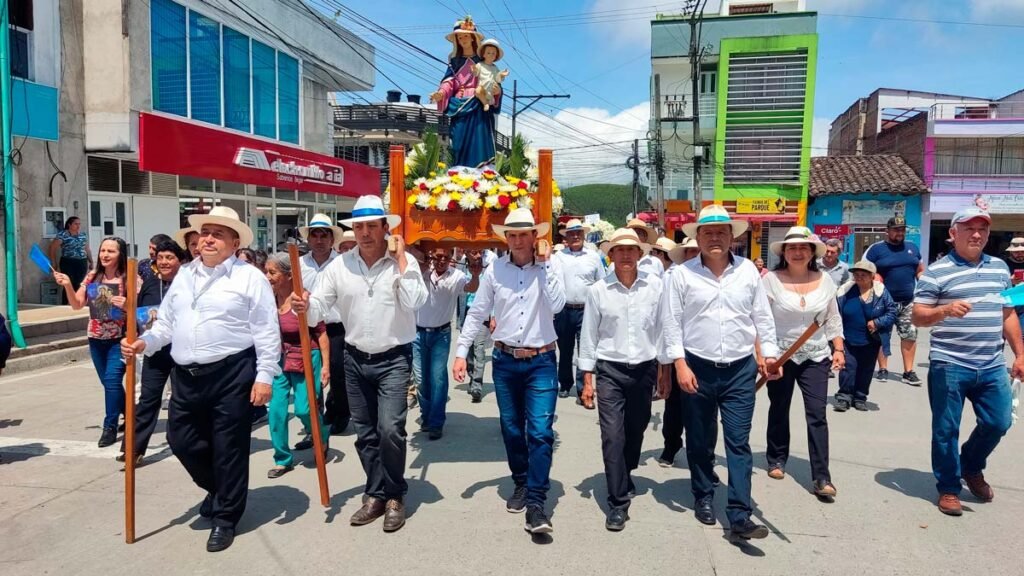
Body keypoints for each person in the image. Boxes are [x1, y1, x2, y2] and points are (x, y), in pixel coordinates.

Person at [121, 206, 280, 552]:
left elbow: (267, 330)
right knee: (181, 441)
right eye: (204, 233)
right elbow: (166, 324)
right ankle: (223, 489)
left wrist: (264, 375)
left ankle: (225, 518)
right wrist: (144, 342)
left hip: (232, 373)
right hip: (186, 377)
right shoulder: (184, 275)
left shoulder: (249, 277)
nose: (207, 239)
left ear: (235, 242)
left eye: (218, 233)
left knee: (229, 448)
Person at [292, 195, 426, 533]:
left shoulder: (404, 261)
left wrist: (400, 262)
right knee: (365, 434)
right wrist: (304, 305)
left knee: (390, 429)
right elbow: (320, 308)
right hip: (354, 358)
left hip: (394, 359)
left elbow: (415, 302)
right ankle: (376, 493)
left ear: (386, 228)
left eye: (371, 226)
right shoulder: (340, 266)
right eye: (359, 226)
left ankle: (395, 494)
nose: (365, 233)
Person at [662, 205, 780, 539]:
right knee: (699, 441)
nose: (715, 238)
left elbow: (762, 318)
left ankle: (740, 512)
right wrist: (679, 364)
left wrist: (768, 356)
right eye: (708, 232)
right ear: (697, 237)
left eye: (722, 232)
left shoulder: (748, 273)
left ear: (733, 236)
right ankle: (702, 495)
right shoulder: (681, 275)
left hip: (740, 369)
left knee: (738, 442)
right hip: (697, 367)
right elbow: (671, 323)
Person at [453, 208, 565, 535]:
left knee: (541, 431)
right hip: (504, 361)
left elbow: (557, 305)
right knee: (512, 428)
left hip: (541, 360)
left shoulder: (549, 267)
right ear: (506, 238)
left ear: (535, 236)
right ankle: (520, 481)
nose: (517, 240)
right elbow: (476, 314)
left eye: (523, 234)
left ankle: (536, 502)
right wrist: (461, 353)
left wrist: (544, 266)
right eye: (512, 234)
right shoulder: (494, 271)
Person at [912, 207, 1024, 517]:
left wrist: (1020, 353)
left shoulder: (1000, 269)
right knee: (946, 429)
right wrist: (944, 311)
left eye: (982, 229)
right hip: (950, 363)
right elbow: (918, 316)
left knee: (998, 422)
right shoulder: (936, 271)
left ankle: (971, 466)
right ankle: (948, 487)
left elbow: (1008, 313)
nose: (976, 234)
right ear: (953, 234)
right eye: (969, 228)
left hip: (990, 364)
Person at [578, 228, 664, 531]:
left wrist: (664, 371)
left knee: (635, 429)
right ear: (610, 255)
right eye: (620, 250)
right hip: (610, 371)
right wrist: (587, 380)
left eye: (631, 250)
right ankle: (617, 502)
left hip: (644, 370)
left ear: (640, 254)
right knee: (612, 435)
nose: (626, 255)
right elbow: (588, 337)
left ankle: (625, 472)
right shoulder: (599, 291)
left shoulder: (655, 287)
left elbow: (662, 331)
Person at [761, 226, 843, 500]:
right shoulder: (770, 280)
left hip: (816, 355)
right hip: (781, 356)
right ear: (784, 252)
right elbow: (762, 321)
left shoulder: (825, 281)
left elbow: (832, 317)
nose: (798, 252)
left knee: (817, 413)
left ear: (812, 253)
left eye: (803, 248)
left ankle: (822, 476)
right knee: (779, 406)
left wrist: (839, 348)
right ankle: (776, 458)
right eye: (792, 248)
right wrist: (765, 355)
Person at [55, 236, 133, 448]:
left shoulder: (129, 277)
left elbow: (139, 309)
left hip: (120, 338)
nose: (105, 255)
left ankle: (110, 426)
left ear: (120, 254)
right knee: (109, 383)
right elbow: (77, 304)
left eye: (111, 251)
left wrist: (126, 304)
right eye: (103, 250)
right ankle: (129, 412)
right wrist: (68, 285)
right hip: (96, 338)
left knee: (111, 380)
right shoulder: (93, 276)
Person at [116, 239, 188, 465]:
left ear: (180, 260)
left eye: (170, 257)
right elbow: (138, 312)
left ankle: (183, 443)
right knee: (147, 399)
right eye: (161, 258)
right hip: (154, 349)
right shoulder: (149, 283)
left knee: (180, 400)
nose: (164, 262)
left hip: (181, 351)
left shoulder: (187, 284)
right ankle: (133, 448)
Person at [265, 252, 330, 479]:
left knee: (304, 409)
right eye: (267, 272)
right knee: (276, 411)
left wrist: (325, 366)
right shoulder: (267, 298)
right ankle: (282, 458)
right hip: (279, 359)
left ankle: (321, 435)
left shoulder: (302, 298)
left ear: (288, 275)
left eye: (272, 272)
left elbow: (321, 334)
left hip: (305, 356)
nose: (268, 277)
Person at [416, 248, 480, 439]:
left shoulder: (457, 275)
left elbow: (471, 287)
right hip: (417, 333)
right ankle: (426, 415)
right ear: (432, 257)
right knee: (420, 379)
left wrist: (475, 274)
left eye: (445, 257)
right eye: (437, 257)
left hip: (440, 334)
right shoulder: (421, 271)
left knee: (438, 378)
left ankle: (435, 421)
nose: (441, 261)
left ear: (451, 259)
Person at [298, 214, 350, 440]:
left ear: (332, 239)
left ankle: (339, 414)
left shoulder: (342, 263)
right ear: (309, 239)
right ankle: (314, 419)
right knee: (309, 374)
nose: (319, 240)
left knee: (338, 374)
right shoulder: (298, 264)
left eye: (324, 235)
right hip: (308, 327)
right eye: (315, 235)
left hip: (335, 327)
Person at [430, 17, 499, 168]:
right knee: (458, 142)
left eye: (465, 35)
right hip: (458, 106)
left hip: (478, 105)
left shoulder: (482, 60)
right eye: (459, 37)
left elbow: (492, 78)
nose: (462, 39)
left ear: (473, 38)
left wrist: (496, 91)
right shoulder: (455, 62)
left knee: (479, 140)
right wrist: (441, 93)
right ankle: (460, 171)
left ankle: (482, 172)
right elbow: (449, 82)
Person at [864, 216, 924, 386]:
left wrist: (925, 284)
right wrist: (875, 276)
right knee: (883, 336)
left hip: (908, 301)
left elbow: (919, 270)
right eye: (896, 229)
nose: (900, 232)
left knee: (910, 335)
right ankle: (883, 369)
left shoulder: (912, 248)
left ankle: (908, 371)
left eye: (902, 229)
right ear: (887, 231)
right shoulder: (876, 250)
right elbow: (865, 270)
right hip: (883, 302)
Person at [552, 218, 605, 402]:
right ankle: (565, 384)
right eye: (571, 233)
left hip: (587, 310)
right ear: (566, 237)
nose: (575, 236)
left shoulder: (593, 257)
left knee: (585, 349)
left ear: (583, 235)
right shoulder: (558, 257)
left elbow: (601, 283)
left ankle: (584, 387)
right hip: (564, 309)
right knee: (565, 349)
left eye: (578, 233)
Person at [834, 260, 897, 412]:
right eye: (856, 274)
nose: (859, 277)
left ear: (872, 276)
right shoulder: (844, 291)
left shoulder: (881, 292)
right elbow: (834, 314)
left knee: (866, 369)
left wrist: (877, 322)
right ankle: (844, 397)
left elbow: (892, 312)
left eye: (863, 275)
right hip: (847, 338)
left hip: (871, 340)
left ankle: (860, 397)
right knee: (848, 368)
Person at [457, 249, 493, 402]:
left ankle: (477, 385)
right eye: (473, 251)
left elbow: (494, 292)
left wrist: (493, 315)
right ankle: (472, 377)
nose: (476, 255)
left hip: (482, 315)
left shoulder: (490, 265)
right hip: (466, 312)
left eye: (478, 252)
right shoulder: (462, 266)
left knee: (479, 350)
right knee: (469, 351)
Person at [49, 216, 92, 305]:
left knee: (80, 283)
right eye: (76, 224)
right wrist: (53, 262)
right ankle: (66, 304)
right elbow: (52, 248)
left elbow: (87, 248)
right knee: (68, 283)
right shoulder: (63, 235)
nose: (78, 226)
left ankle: (78, 303)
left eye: (79, 224)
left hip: (81, 262)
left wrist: (91, 261)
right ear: (69, 224)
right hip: (68, 262)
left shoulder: (82, 235)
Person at [474, 39, 508, 112]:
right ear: (484, 54)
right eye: (488, 53)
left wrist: (502, 75)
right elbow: (475, 74)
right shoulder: (480, 65)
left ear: (496, 56)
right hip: (482, 89)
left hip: (491, 90)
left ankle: (489, 101)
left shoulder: (495, 68)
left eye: (493, 53)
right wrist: (474, 70)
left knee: (496, 89)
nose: (491, 55)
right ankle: (485, 103)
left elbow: (497, 79)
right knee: (477, 91)